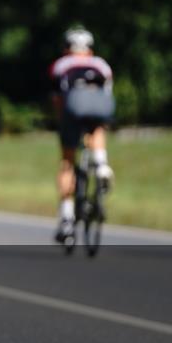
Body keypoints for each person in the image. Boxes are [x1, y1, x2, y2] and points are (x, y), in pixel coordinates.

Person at [49, 28, 115, 242]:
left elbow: (58, 99)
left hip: (73, 107)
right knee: (97, 127)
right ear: (90, 48)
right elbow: (106, 94)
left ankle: (67, 219)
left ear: (67, 48)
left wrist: (62, 122)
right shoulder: (101, 65)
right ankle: (102, 164)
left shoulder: (61, 65)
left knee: (68, 161)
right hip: (99, 107)